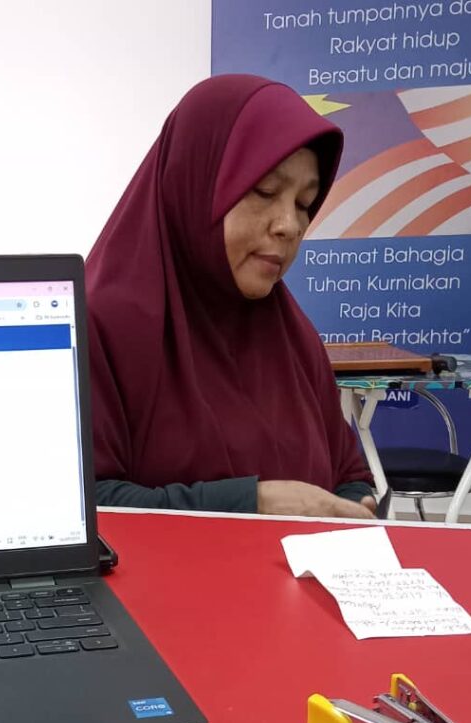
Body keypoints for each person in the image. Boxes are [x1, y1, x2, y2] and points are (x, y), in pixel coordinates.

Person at [86, 74, 377, 519]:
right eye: (265, 192)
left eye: (304, 204)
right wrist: (252, 504)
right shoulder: (101, 326)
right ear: (194, 184)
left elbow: (348, 469)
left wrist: (356, 503)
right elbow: (84, 505)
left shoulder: (292, 337)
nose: (290, 226)